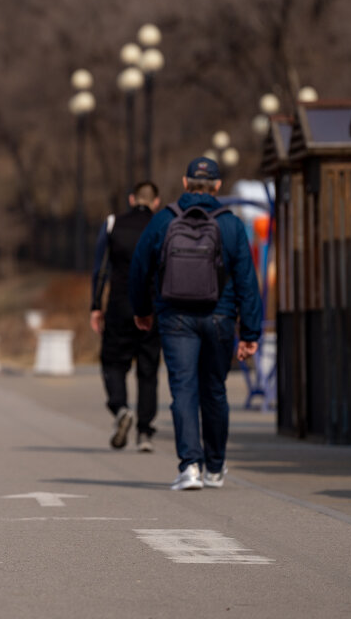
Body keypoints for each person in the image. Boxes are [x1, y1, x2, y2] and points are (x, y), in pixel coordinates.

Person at [129, 157, 261, 491]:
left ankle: (190, 466)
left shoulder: (164, 220)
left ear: (186, 183)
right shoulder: (230, 225)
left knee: (183, 390)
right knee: (215, 390)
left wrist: (143, 310)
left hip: (175, 318)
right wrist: (250, 332)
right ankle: (215, 467)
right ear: (217, 187)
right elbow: (247, 280)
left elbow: (139, 267)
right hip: (220, 317)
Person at [90, 181, 162, 452]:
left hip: (120, 306)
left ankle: (121, 409)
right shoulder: (162, 224)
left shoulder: (112, 224)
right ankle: (145, 432)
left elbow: (101, 269)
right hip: (153, 308)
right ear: (156, 202)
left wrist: (96, 306)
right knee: (148, 369)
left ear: (132, 199)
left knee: (113, 363)